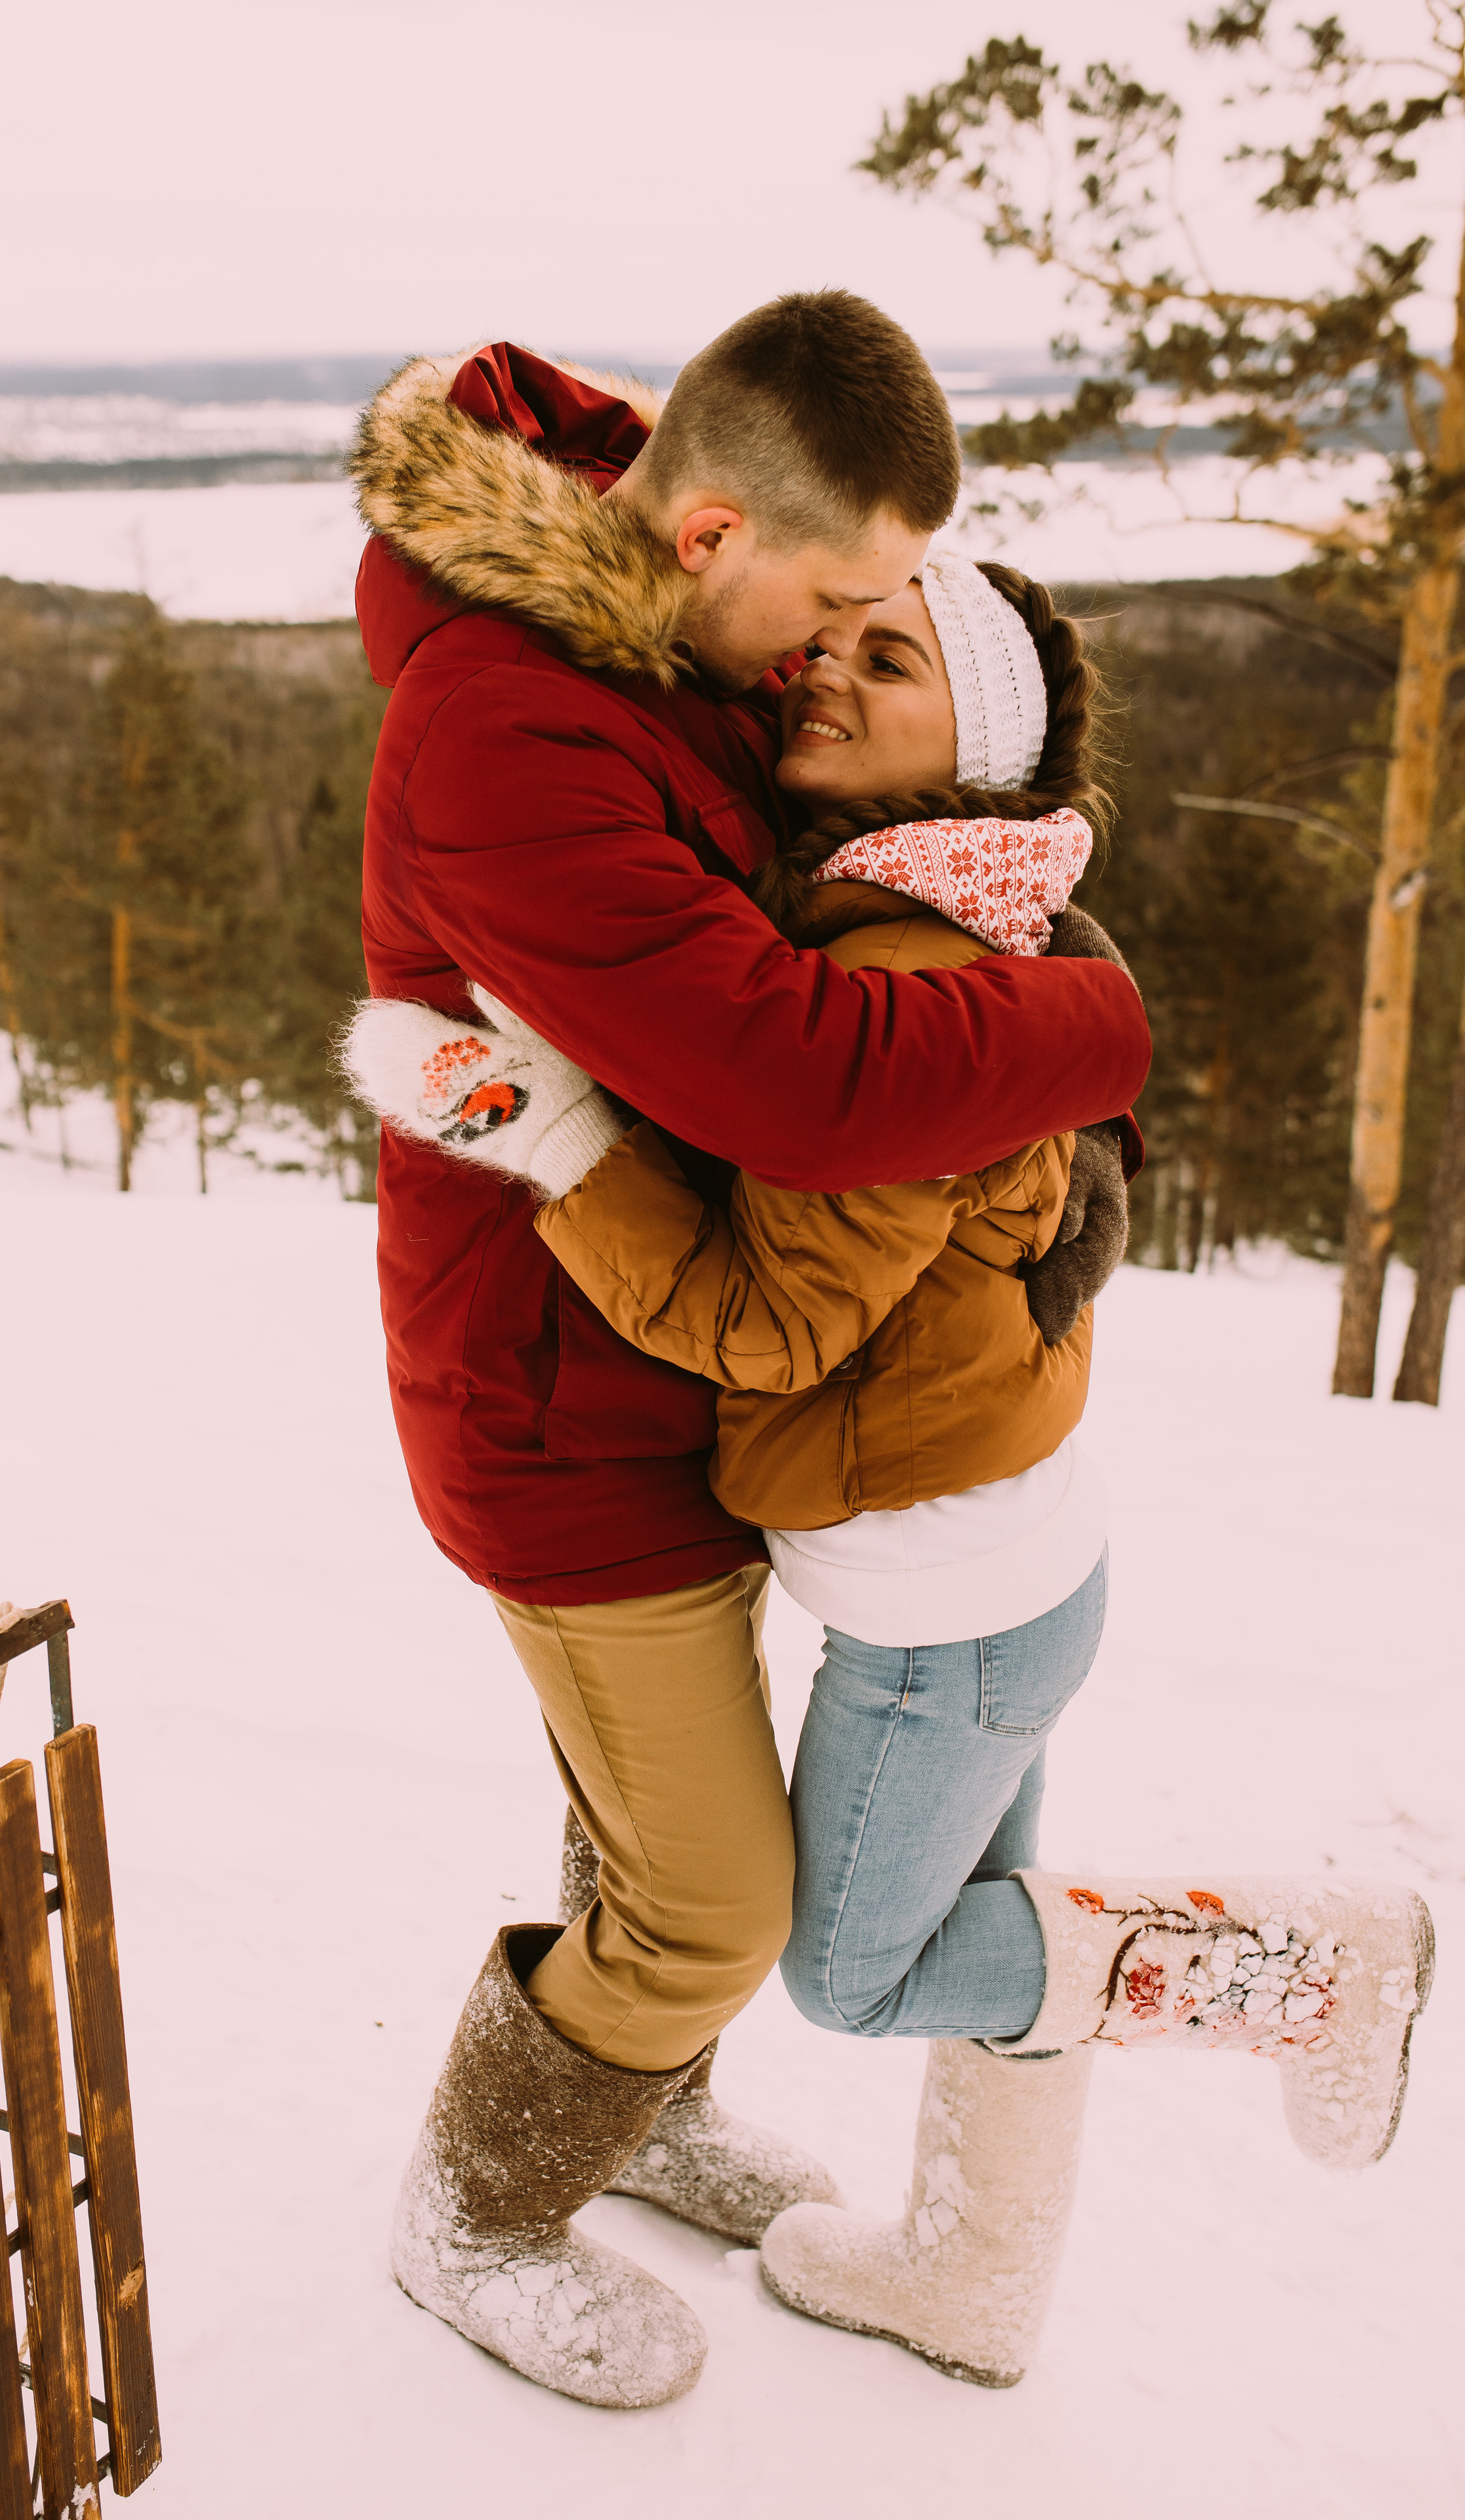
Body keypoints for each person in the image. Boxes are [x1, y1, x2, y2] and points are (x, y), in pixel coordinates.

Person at [359, 553, 1434, 2395]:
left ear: (982, 749)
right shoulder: (957, 928)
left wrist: (536, 1129)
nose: (824, 676)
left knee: (864, 1971)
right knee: (1005, 1935)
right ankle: (972, 2277)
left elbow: (763, 1330)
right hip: (1009, 1580)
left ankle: (1305, 1973)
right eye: (831, 641)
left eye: (892, 662)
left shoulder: (891, 988)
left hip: (948, 1619)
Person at [346, 291, 1151, 2409]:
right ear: (706, 536)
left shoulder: (669, 648)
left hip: (669, 1383)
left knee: (645, 1824)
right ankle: (480, 2209)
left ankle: (639, 2108)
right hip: (558, 1397)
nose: (844, 640)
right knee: (708, 1895)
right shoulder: (510, 732)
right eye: (846, 597)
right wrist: (1097, 1017)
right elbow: (795, 1076)